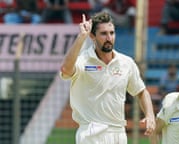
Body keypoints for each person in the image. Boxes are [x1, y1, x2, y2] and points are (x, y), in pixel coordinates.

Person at [59, 12, 155, 144]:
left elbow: (141, 91)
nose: (109, 38)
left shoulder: (126, 62)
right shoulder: (83, 61)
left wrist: (150, 115)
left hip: (118, 133)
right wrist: (81, 37)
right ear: (92, 36)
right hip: (91, 133)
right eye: (104, 34)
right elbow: (66, 70)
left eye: (112, 33)